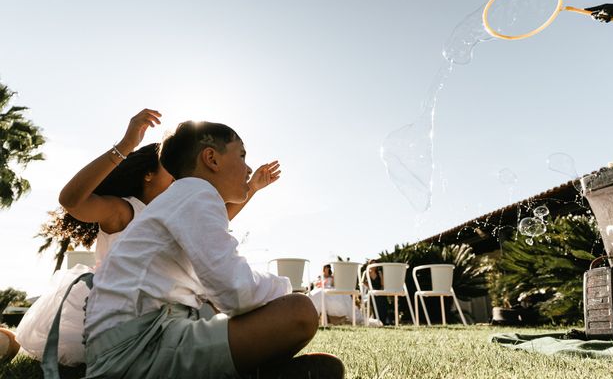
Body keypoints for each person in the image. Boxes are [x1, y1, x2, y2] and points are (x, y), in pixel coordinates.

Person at [15, 109, 281, 367]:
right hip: (115, 314)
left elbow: (215, 222)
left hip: (161, 308)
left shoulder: (178, 208)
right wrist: (125, 145)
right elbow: (72, 200)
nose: (181, 176)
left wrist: (251, 189)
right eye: (171, 170)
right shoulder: (126, 210)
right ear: (148, 174)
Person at [83, 120, 344, 378]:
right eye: (241, 155)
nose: (248, 167)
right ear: (211, 158)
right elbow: (237, 292)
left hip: (126, 344)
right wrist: (285, 289)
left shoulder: (183, 197)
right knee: (300, 312)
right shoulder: (198, 193)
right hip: (135, 350)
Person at [362, 260, 390, 326]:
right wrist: (370, 287)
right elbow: (362, 281)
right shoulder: (366, 272)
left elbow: (382, 284)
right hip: (371, 292)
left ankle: (383, 320)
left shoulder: (379, 272)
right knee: (375, 299)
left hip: (379, 290)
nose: (374, 266)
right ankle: (377, 319)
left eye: (375, 264)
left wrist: (381, 276)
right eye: (372, 264)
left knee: (383, 300)